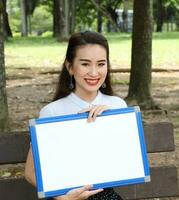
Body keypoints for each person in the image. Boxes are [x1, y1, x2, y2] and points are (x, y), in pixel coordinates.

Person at [25, 31, 127, 200]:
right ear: (70, 67)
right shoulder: (52, 112)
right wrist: (62, 197)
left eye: (101, 64)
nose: (94, 72)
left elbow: (125, 162)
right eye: (85, 64)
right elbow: (30, 173)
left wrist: (111, 121)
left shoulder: (117, 105)